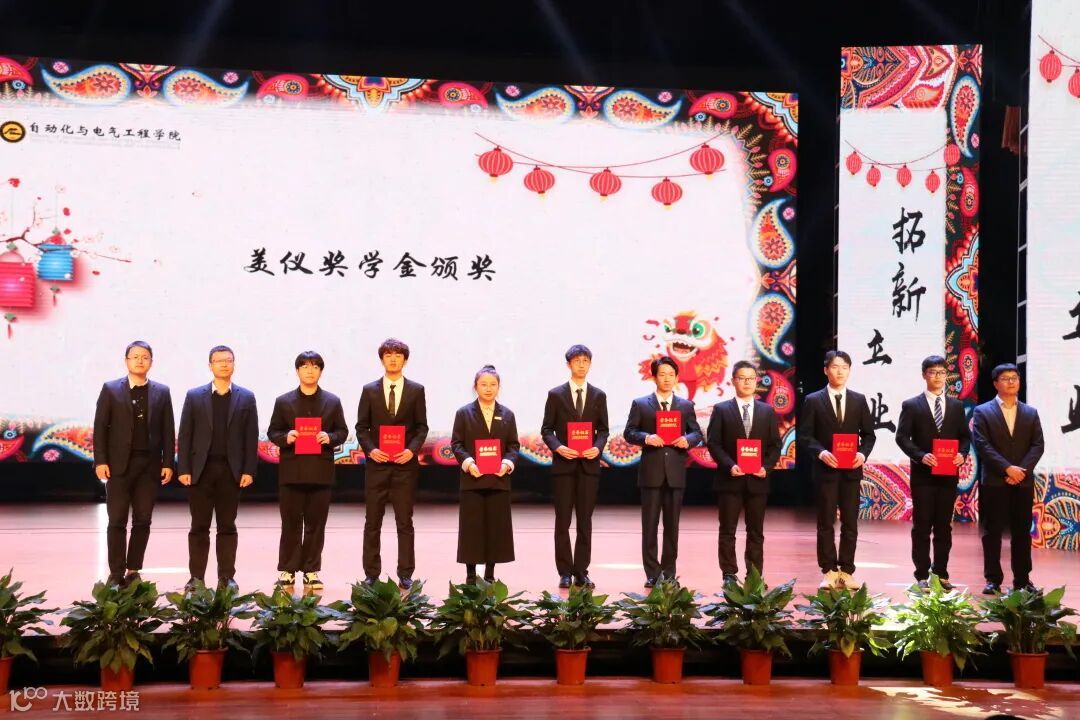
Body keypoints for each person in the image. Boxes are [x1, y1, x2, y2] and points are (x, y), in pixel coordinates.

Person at [93, 341, 175, 587]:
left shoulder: (162, 391)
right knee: (117, 519)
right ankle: (116, 572)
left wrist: (168, 462)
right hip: (118, 465)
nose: (140, 360)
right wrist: (100, 460)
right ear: (126, 360)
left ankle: (133, 569)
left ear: (151, 362)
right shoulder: (111, 389)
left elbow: (168, 430)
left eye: (145, 357)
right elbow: (100, 427)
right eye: (135, 356)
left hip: (149, 466)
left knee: (143, 519)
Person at [177, 345, 259, 591]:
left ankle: (226, 577)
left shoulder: (246, 397)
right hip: (200, 471)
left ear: (234, 364)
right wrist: (183, 468)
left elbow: (251, 436)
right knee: (199, 527)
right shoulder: (194, 396)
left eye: (228, 360)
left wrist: (249, 470)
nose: (224, 364)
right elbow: (185, 434)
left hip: (231, 472)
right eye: (219, 360)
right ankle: (196, 578)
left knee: (227, 527)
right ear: (210, 365)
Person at [267, 351, 348, 591]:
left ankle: (311, 571)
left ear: (321, 371)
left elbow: (342, 432)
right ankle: (288, 570)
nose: (309, 371)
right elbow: (273, 432)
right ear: (297, 371)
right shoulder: (283, 401)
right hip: (292, 472)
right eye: (304, 366)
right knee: (290, 523)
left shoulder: (332, 401)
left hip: (320, 473)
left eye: (314, 366)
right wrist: (286, 437)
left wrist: (329, 437)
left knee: (316, 524)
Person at [798, 350, 875, 590]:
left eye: (844, 367)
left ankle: (847, 571)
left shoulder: (858, 400)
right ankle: (829, 571)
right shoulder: (813, 400)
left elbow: (869, 435)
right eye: (835, 367)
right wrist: (821, 452)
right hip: (826, 471)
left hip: (851, 472)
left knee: (850, 522)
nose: (840, 371)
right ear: (825, 370)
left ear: (849, 370)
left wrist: (862, 454)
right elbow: (805, 435)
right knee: (825, 522)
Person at [355, 338, 429, 589]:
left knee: (404, 522)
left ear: (405, 360)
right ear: (382, 359)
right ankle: (371, 573)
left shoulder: (416, 390)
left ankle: (405, 573)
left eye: (398, 355)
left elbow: (421, 427)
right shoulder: (369, 390)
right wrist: (371, 450)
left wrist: (411, 450)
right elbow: (361, 427)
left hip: (404, 467)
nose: (393, 359)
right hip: (377, 466)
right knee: (372, 521)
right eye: (388, 355)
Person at [624, 356, 703, 587]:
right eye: (662, 374)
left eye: (671, 374)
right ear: (654, 377)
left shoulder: (685, 406)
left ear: (677, 377)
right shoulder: (641, 404)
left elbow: (697, 433)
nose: (667, 379)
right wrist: (646, 437)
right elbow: (629, 432)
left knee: (672, 526)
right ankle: (652, 573)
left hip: (675, 473)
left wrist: (687, 440)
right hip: (651, 473)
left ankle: (669, 573)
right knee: (649, 526)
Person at [895, 355, 970, 591]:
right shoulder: (911, 405)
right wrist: (920, 455)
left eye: (941, 372)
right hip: (923, 476)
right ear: (924, 375)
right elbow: (901, 437)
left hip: (948, 475)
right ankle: (921, 574)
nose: (937, 377)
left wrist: (962, 454)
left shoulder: (956, 406)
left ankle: (941, 573)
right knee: (922, 526)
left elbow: (965, 437)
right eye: (932, 372)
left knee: (943, 527)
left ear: (946, 376)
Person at [971, 363, 1045, 594]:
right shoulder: (982, 411)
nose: (1011, 382)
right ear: (996, 383)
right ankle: (993, 579)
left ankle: (1022, 580)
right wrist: (1006, 469)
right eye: (1005, 378)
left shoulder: (1030, 412)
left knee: (1022, 532)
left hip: (1022, 481)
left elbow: (1038, 445)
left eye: (1015, 377)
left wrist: (1020, 470)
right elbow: (982, 445)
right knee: (992, 532)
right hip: (995, 481)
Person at [705, 360, 781, 584]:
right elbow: (714, 443)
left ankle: (754, 575)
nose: (747, 382)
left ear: (756, 381)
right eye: (742, 378)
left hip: (758, 480)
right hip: (730, 480)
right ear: (733, 381)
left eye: (750, 378)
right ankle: (729, 574)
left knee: (756, 531)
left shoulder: (767, 411)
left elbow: (775, 445)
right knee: (727, 530)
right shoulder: (721, 409)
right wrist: (730, 465)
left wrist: (766, 467)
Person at [541, 344, 610, 589]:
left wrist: (597, 448)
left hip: (588, 467)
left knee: (585, 521)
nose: (581, 365)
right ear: (568, 364)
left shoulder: (599, 395)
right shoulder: (556, 395)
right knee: (562, 520)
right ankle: (564, 572)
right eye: (577, 361)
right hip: (564, 466)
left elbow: (603, 430)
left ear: (590, 364)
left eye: (585, 361)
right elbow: (546, 430)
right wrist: (559, 447)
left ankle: (581, 571)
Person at [450, 365, 520, 584]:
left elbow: (513, 445)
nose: (488, 389)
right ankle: (471, 576)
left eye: (493, 385)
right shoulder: (464, 413)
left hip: (498, 480)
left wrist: (507, 463)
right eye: (483, 384)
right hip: (472, 479)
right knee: (472, 529)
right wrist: (469, 463)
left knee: (495, 530)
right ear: (475, 386)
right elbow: (457, 444)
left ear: (499, 387)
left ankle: (489, 575)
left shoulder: (507, 414)